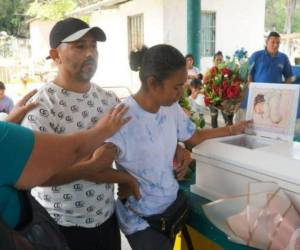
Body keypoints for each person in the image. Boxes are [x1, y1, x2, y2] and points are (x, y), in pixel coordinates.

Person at [21, 18, 191, 250]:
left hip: (105, 218)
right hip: (61, 224)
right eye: (80, 46)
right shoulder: (40, 108)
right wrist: (122, 178)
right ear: (55, 55)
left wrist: (177, 147)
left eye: (94, 46)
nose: (90, 53)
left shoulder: (108, 100)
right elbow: (36, 176)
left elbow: (143, 132)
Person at [104, 44, 251, 250]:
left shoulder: (170, 108)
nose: (182, 93)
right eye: (176, 87)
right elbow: (94, 167)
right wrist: (124, 179)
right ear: (153, 83)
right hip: (142, 220)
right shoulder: (122, 117)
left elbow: (194, 136)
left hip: (169, 207)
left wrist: (232, 130)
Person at [0, 89, 130, 230]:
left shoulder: (107, 98)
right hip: (50, 223)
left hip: (105, 214)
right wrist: (102, 132)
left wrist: (9, 122)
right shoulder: (42, 105)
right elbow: (67, 155)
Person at [237, 31, 293, 121]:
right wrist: (251, 88)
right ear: (266, 42)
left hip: (275, 94)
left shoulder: (283, 58)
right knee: (259, 116)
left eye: (278, 43)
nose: (275, 45)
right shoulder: (256, 55)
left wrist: (285, 91)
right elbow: (248, 73)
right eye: (273, 42)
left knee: (274, 115)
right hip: (258, 94)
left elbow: (288, 77)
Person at [209, 51, 234, 127]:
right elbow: (206, 85)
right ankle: (214, 133)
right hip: (213, 98)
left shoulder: (227, 71)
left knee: (227, 118)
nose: (219, 61)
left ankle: (229, 133)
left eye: (221, 60)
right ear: (214, 61)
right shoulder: (210, 71)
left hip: (225, 99)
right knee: (214, 117)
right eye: (217, 60)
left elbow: (231, 83)